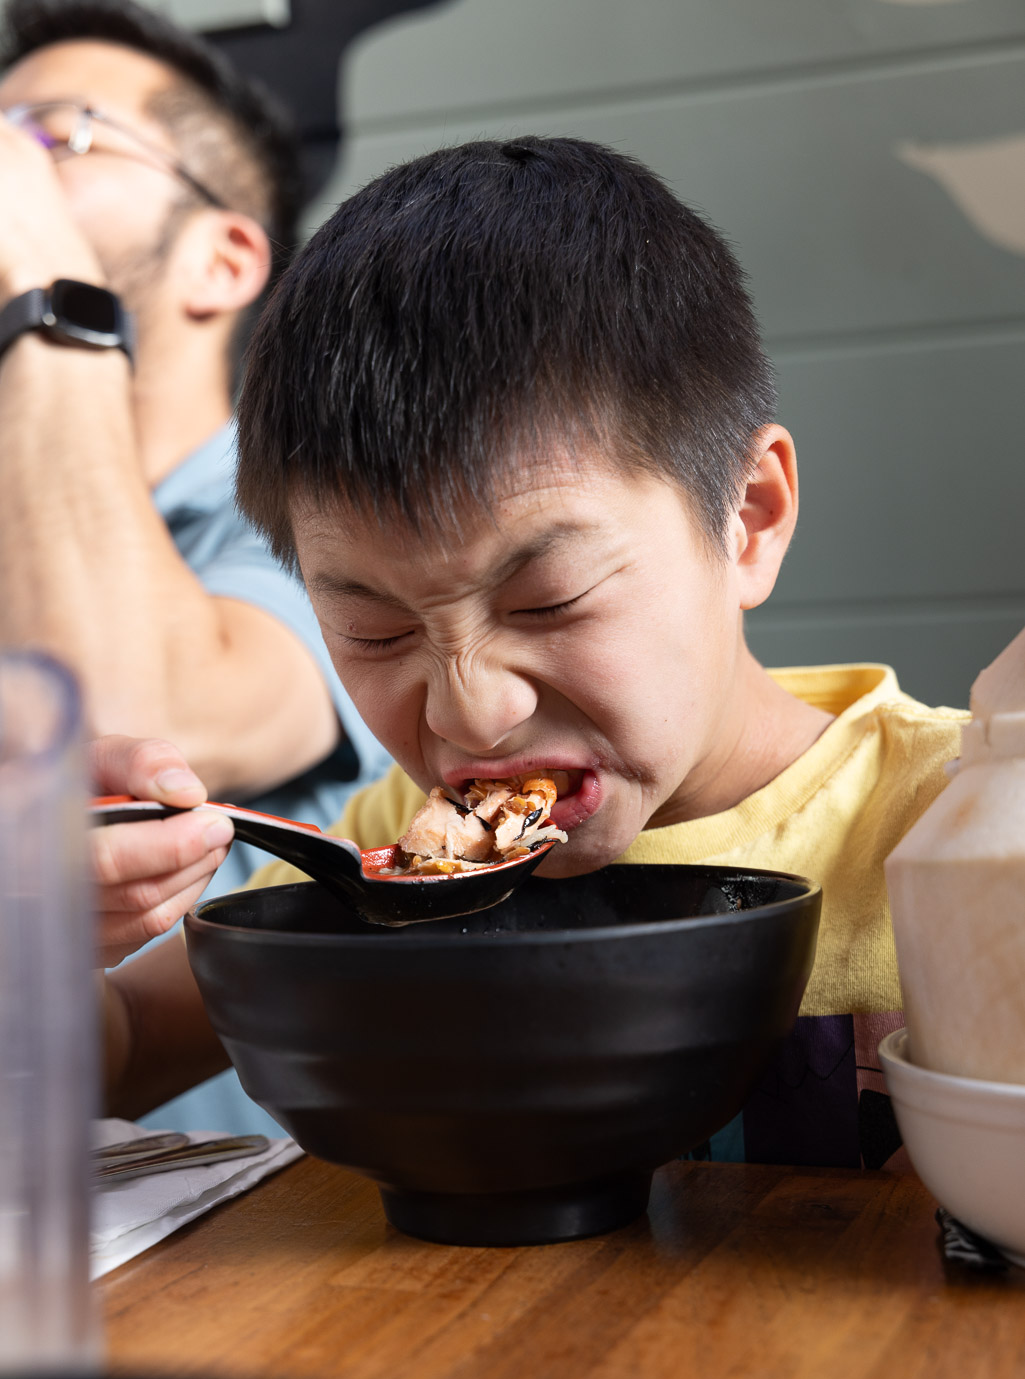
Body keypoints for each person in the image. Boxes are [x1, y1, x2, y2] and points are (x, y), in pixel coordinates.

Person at [94, 137, 966, 1167]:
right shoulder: (401, 851)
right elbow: (125, 1047)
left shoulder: (957, 823)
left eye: (547, 601)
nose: (470, 713)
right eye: (375, 630)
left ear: (747, 517)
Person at [0, 0, 393, 1130]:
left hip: (237, 1280)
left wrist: (48, 292)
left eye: (54, 137)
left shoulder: (335, 529)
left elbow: (106, 719)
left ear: (222, 258)